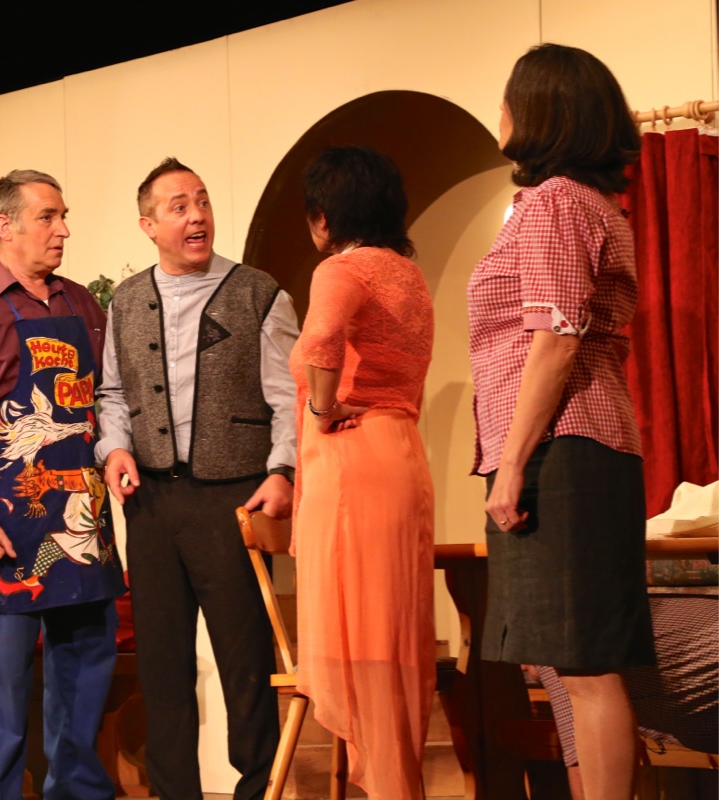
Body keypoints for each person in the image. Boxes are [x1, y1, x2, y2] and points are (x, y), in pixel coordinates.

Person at [468, 44, 653, 800]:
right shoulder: (587, 203)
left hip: (563, 444)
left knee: (584, 665)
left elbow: (555, 336)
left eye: (509, 96)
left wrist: (512, 463)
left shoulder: (553, 202)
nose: (500, 109)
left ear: (544, 110)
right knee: (575, 664)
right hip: (578, 443)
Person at [96, 157, 296, 800]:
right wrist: (114, 449)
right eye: (179, 206)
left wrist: (283, 469)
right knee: (162, 662)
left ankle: (258, 789)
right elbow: (111, 393)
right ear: (148, 225)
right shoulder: (126, 300)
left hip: (232, 496)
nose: (196, 216)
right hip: (152, 502)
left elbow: (290, 397)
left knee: (244, 658)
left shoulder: (259, 292)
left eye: (202, 201)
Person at [0, 169, 127, 800]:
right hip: (4, 522)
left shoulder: (81, 304)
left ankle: (79, 793)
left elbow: (106, 400)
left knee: (86, 669)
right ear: (4, 225)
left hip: (82, 516)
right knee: (3, 678)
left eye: (64, 217)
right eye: (48, 217)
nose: (63, 230)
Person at [290, 146, 435, 799]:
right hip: (401, 455)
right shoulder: (409, 276)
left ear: (323, 217)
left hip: (352, 460)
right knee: (394, 642)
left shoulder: (341, 269)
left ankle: (386, 787)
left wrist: (321, 409)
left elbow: (321, 339)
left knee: (365, 649)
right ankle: (396, 783)